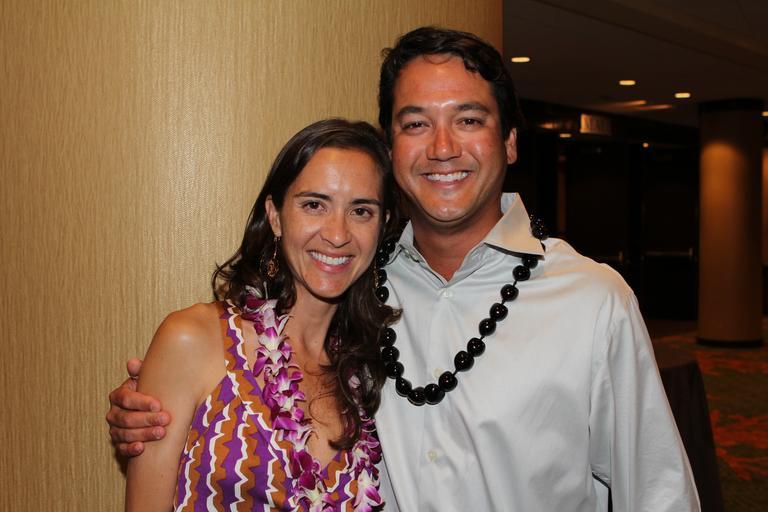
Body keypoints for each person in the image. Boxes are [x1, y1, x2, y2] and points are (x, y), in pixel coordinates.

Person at [109, 27, 700, 511]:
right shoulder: (361, 289)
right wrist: (164, 406)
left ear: (511, 142)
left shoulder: (592, 302)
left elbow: (660, 495)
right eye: (416, 123)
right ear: (392, 150)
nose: (442, 147)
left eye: (469, 119)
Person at [122, 118, 400, 511]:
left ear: (382, 226)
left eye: (361, 211)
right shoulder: (193, 339)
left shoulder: (370, 376)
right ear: (275, 215)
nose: (337, 234)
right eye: (314, 205)